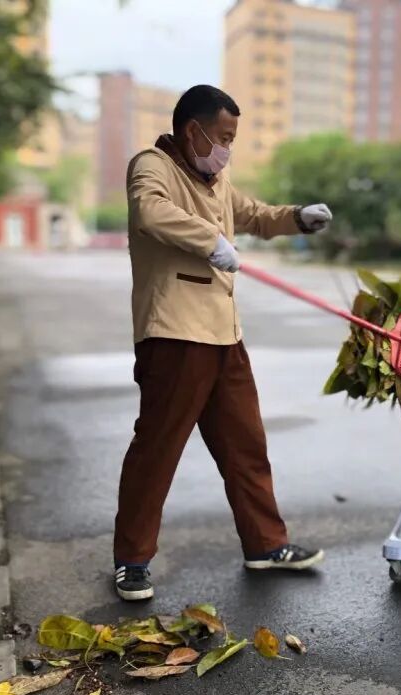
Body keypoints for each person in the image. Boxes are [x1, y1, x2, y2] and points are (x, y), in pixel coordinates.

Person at [113, 84, 333, 601]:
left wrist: (297, 217)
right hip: (175, 332)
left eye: (232, 139)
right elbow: (149, 211)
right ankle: (132, 561)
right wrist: (208, 240)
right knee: (157, 450)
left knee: (245, 444)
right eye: (224, 137)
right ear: (194, 131)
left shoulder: (216, 179)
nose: (227, 149)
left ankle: (266, 544)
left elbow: (252, 213)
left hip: (224, 335)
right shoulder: (152, 167)